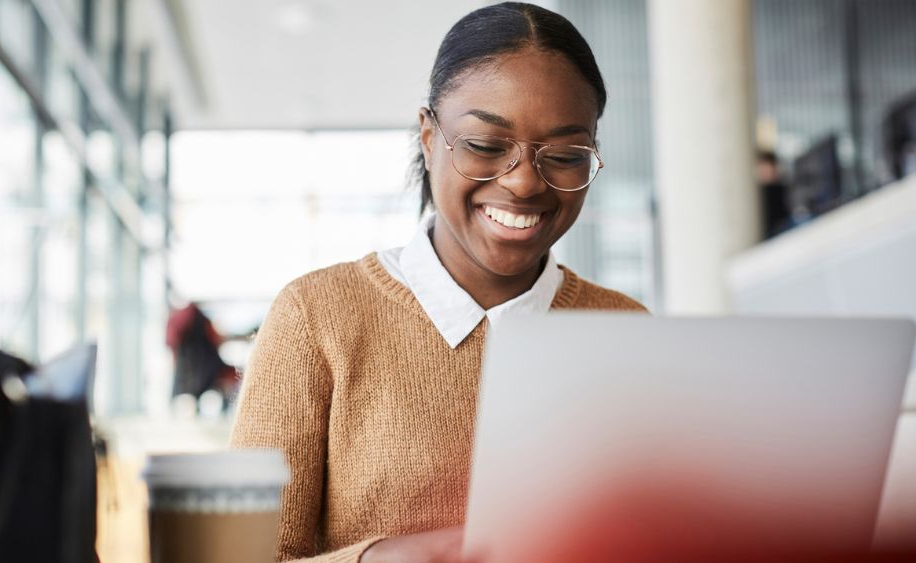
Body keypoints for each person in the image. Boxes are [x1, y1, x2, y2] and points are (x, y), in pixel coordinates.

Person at [230, 3, 646, 561]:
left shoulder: (625, 331)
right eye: (485, 146)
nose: (524, 183)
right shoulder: (317, 317)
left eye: (567, 155)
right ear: (428, 138)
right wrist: (374, 558)